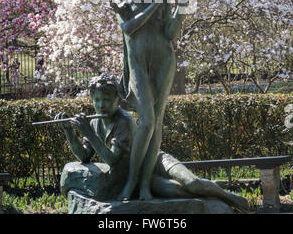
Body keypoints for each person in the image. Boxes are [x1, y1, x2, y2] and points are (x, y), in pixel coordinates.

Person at [56, 73, 248, 212]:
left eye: (106, 100)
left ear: (117, 99)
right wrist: (69, 132)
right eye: (97, 100)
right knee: (180, 192)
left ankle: (229, 197)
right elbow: (84, 156)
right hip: (138, 177)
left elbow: (113, 159)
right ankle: (212, 189)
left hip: (155, 161)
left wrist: (89, 133)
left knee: (192, 183)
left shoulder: (124, 121)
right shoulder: (94, 121)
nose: (101, 105)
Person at [111, 0, 189, 201]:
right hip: (138, 64)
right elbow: (130, 28)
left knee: (157, 124)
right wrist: (155, 3)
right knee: (147, 121)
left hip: (164, 61)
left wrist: (185, 2)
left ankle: (145, 186)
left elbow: (170, 33)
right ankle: (131, 183)